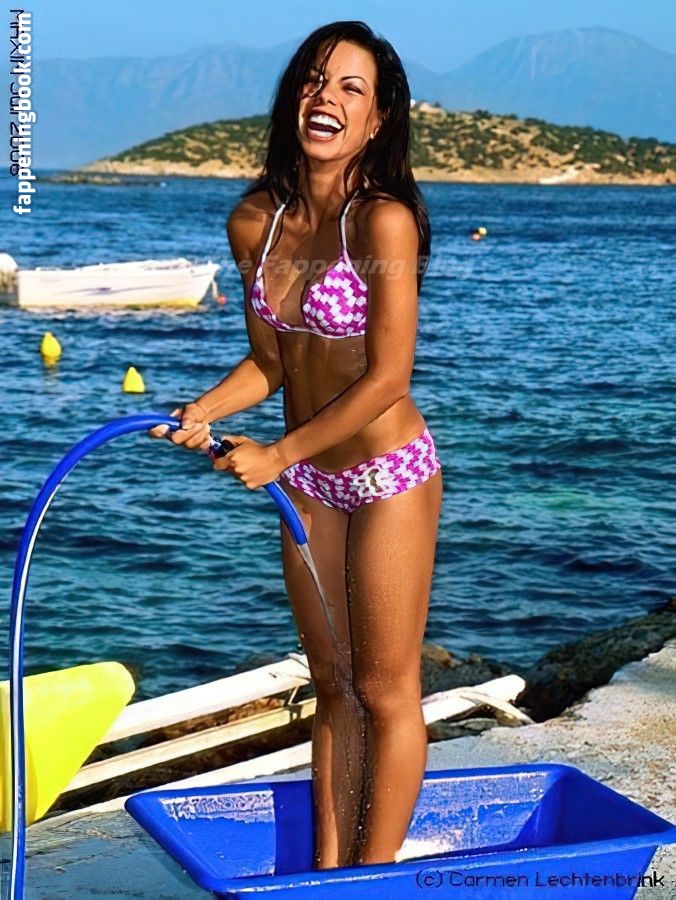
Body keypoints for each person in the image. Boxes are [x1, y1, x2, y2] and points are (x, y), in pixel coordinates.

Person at [149, 20, 443, 870]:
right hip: (311, 483)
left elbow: (388, 376)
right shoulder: (255, 222)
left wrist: (277, 454)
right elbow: (272, 361)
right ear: (293, 99)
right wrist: (203, 409)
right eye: (315, 79)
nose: (327, 97)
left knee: (385, 689)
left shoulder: (382, 223)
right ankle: (326, 874)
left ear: (378, 119)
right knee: (335, 686)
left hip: (387, 475)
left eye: (352, 87)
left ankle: (372, 879)